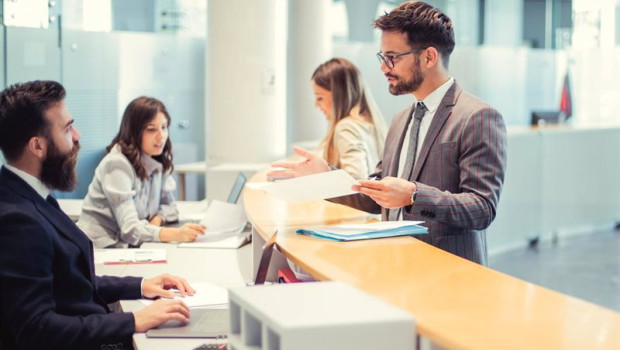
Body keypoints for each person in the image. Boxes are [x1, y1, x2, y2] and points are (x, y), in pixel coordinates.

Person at [270, 1, 507, 265]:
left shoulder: (476, 116)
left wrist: (414, 195)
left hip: (447, 274)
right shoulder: (400, 119)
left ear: (429, 57)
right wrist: (327, 177)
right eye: (383, 57)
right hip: (393, 267)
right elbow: (376, 196)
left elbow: (482, 208)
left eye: (393, 57)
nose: (384, 67)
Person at [0, 80, 195, 350]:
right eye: (68, 128)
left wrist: (140, 285)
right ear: (38, 146)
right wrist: (132, 321)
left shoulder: (33, 195)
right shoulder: (17, 221)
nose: (78, 135)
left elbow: (70, 283)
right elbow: (37, 329)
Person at [77, 96, 205, 248]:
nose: (161, 136)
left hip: (130, 246)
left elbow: (171, 208)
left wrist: (157, 220)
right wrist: (174, 234)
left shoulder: (157, 159)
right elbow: (130, 229)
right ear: (134, 132)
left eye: (164, 127)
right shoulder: (117, 164)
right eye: (151, 129)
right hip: (100, 249)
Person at [311, 58, 387, 179]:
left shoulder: (346, 127)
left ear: (338, 96)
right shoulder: (371, 125)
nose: (316, 105)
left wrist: (320, 174)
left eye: (320, 98)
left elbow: (355, 179)